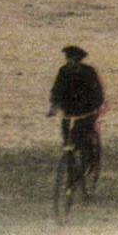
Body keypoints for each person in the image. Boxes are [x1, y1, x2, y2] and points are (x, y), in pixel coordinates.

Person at [48, 45, 105, 180]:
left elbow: (97, 92)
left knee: (85, 139)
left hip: (86, 112)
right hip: (69, 111)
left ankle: (89, 164)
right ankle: (70, 169)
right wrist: (54, 106)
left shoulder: (88, 72)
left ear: (79, 60)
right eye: (68, 59)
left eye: (73, 59)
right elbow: (56, 90)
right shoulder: (63, 71)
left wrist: (96, 107)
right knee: (67, 140)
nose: (70, 62)